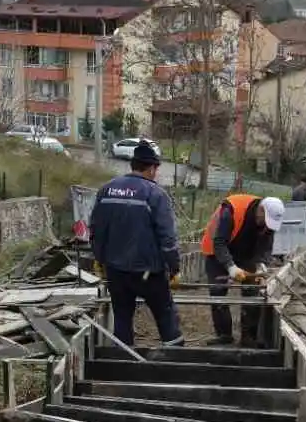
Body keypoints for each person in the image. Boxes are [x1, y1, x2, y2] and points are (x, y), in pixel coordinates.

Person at [90, 140, 183, 346]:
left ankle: (124, 363)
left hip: (116, 270)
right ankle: (175, 359)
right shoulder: (155, 194)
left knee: (122, 316)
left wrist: (99, 258)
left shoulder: (106, 190)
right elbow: (167, 238)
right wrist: (174, 268)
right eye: (156, 169)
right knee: (165, 313)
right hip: (148, 271)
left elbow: (96, 231)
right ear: (151, 168)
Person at [202, 193, 284, 347]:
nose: (266, 226)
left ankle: (249, 336)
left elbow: (265, 247)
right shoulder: (231, 211)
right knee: (218, 292)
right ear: (261, 210)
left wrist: (262, 265)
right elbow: (219, 243)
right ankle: (224, 334)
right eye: (264, 221)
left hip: (245, 252)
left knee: (252, 291)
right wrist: (231, 267)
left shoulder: (269, 221)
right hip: (217, 249)